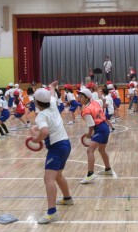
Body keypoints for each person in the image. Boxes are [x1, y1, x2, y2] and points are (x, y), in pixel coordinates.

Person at [29, 88, 73, 224]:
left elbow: (45, 132)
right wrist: (53, 87)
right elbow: (52, 94)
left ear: (36, 102)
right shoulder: (53, 105)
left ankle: (52, 212)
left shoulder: (41, 116)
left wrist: (36, 140)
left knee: (48, 178)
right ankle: (67, 198)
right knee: (58, 175)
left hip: (56, 147)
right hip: (66, 144)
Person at [77, 88, 113, 184]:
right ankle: (108, 169)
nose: (79, 98)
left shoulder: (86, 110)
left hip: (100, 129)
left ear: (87, 98)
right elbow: (103, 100)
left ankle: (90, 174)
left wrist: (89, 134)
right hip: (105, 127)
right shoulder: (96, 102)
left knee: (90, 150)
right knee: (101, 150)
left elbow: (91, 125)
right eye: (79, 96)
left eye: (81, 97)